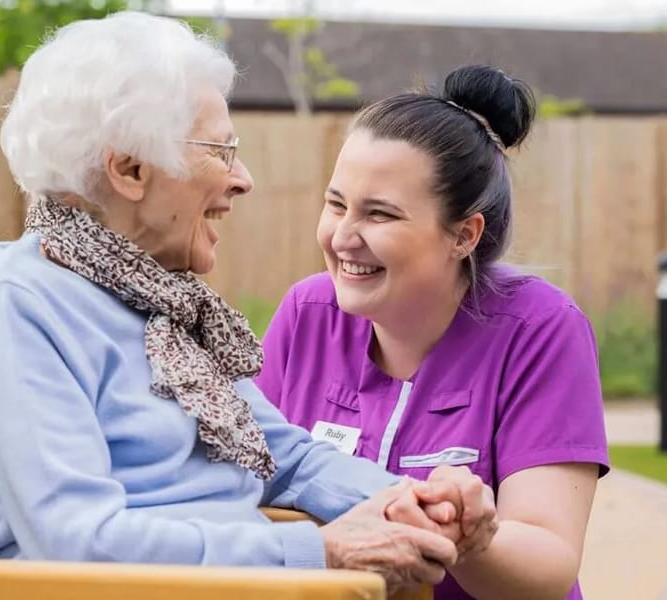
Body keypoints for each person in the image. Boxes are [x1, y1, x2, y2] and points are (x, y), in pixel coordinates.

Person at [0, 11, 498, 595]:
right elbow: (77, 540)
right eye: (220, 152)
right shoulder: (19, 308)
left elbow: (286, 459)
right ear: (129, 169)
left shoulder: (157, 303)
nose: (242, 179)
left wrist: (411, 499)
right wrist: (319, 551)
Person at [255, 65, 610, 600]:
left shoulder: (539, 328)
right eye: (336, 204)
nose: (343, 236)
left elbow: (548, 561)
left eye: (380, 214)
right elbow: (241, 486)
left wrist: (470, 535)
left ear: (463, 235)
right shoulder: (306, 313)